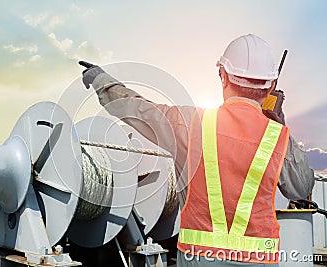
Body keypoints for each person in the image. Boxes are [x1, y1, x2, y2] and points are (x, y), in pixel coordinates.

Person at [78, 34, 314, 266]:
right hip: (257, 259)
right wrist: (279, 125)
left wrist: (102, 81)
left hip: (199, 257)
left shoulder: (192, 123)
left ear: (223, 76)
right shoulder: (277, 138)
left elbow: (138, 109)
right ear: (271, 85)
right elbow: (301, 188)